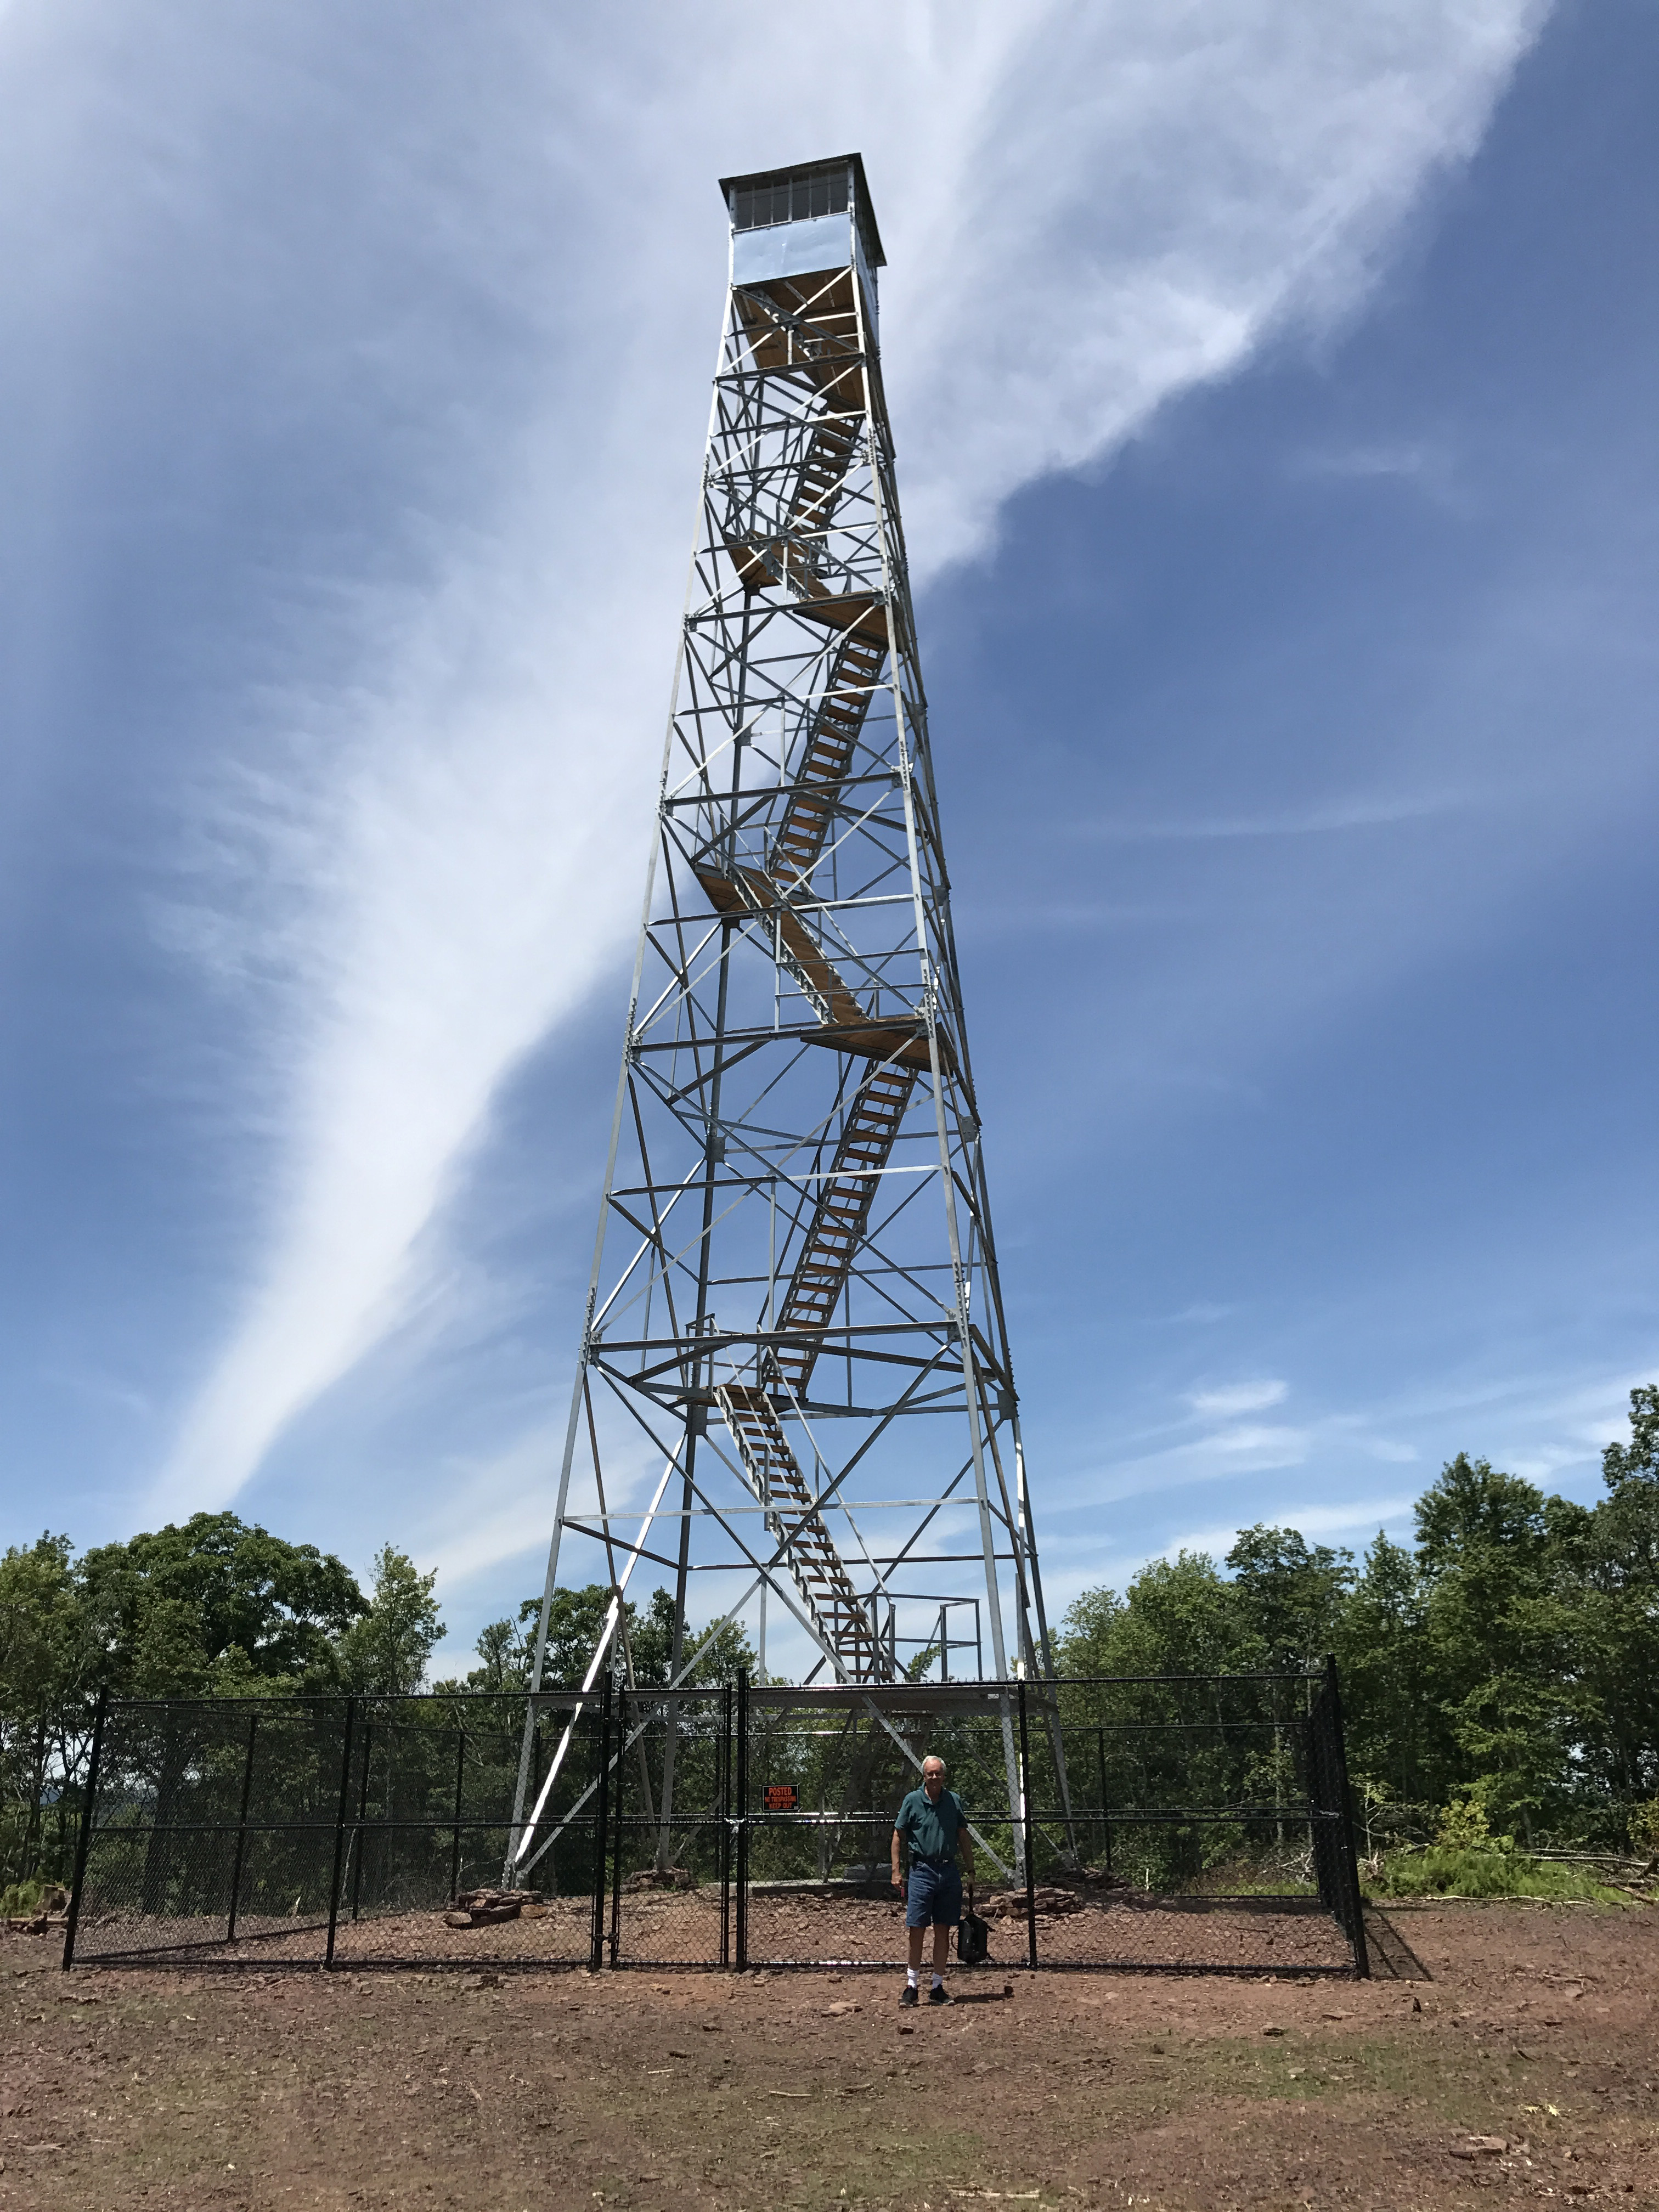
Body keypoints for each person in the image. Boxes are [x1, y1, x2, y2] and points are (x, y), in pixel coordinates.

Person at [890, 1754, 974, 2006]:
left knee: (943, 1929)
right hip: (921, 1872)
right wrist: (896, 1871)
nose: (935, 1777)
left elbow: (963, 1836)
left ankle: (937, 1986)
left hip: (948, 1871)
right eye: (930, 1773)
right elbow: (898, 1835)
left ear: (944, 1776)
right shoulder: (912, 1801)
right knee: (917, 1929)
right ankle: (912, 1985)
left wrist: (971, 1871)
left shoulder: (953, 1801)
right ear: (924, 1776)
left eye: (938, 1773)